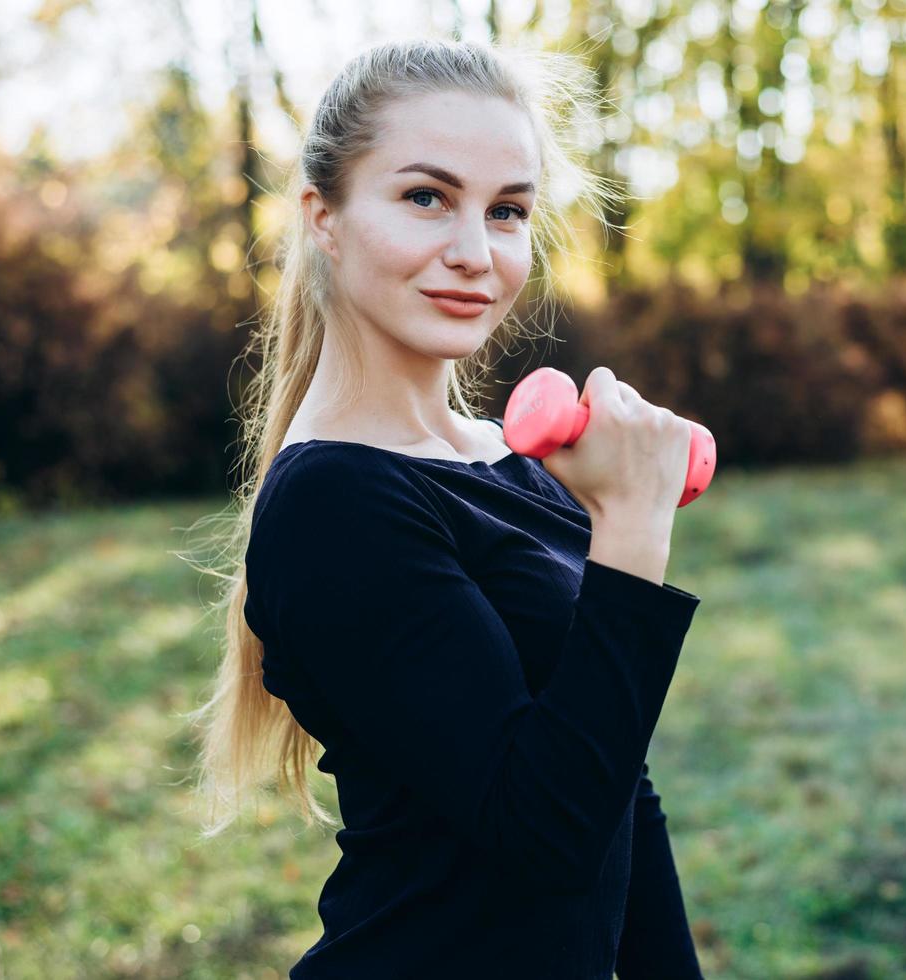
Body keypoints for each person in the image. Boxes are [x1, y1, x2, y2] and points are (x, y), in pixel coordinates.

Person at [185, 37, 707, 979]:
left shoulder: (508, 464)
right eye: (427, 197)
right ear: (325, 218)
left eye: (507, 211)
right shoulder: (334, 504)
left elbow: (616, 782)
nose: (474, 254)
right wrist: (632, 528)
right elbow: (543, 836)